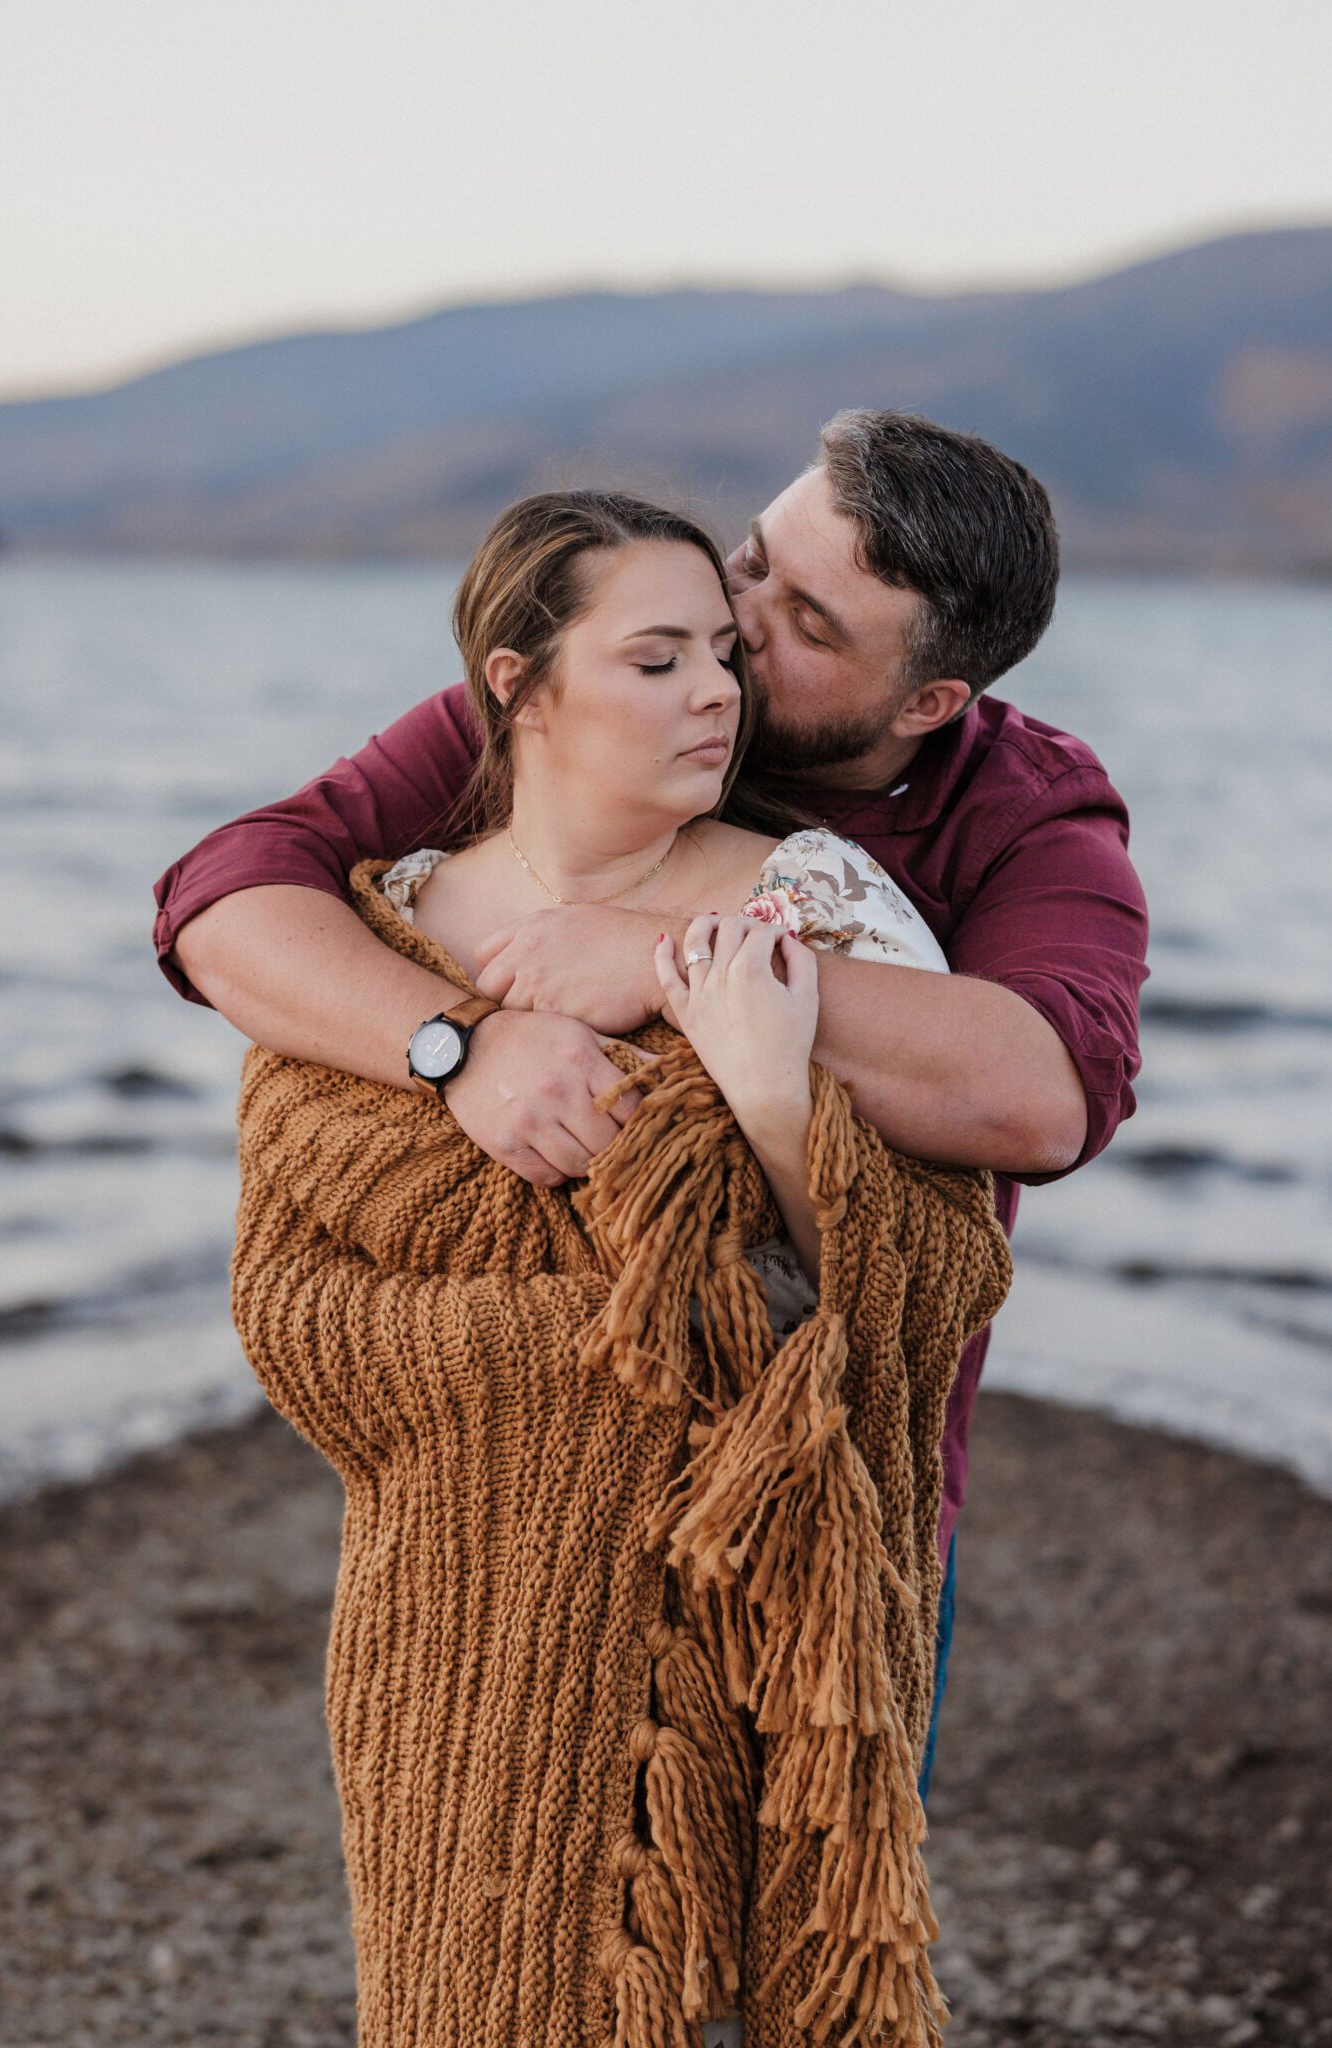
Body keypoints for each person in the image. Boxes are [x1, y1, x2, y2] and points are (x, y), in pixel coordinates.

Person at [152, 409, 1149, 1815]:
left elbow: (1042, 1093)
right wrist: (461, 1045)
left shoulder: (1029, 811)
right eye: (751, 557)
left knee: (803, 1910)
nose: (730, 626)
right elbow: (223, 895)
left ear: (926, 699)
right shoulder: (598, 697)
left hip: (825, 1453)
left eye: (797, 618)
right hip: (514, 1470)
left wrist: (676, 969)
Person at [227, 487, 1012, 2048]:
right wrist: (584, 1336)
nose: (718, 691)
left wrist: (773, 1094)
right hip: (456, 1604)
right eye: (656, 659)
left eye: (725, 654)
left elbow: (927, 1286)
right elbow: (292, 1302)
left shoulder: (817, 905)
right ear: (518, 684)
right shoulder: (387, 934)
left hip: (743, 1599)